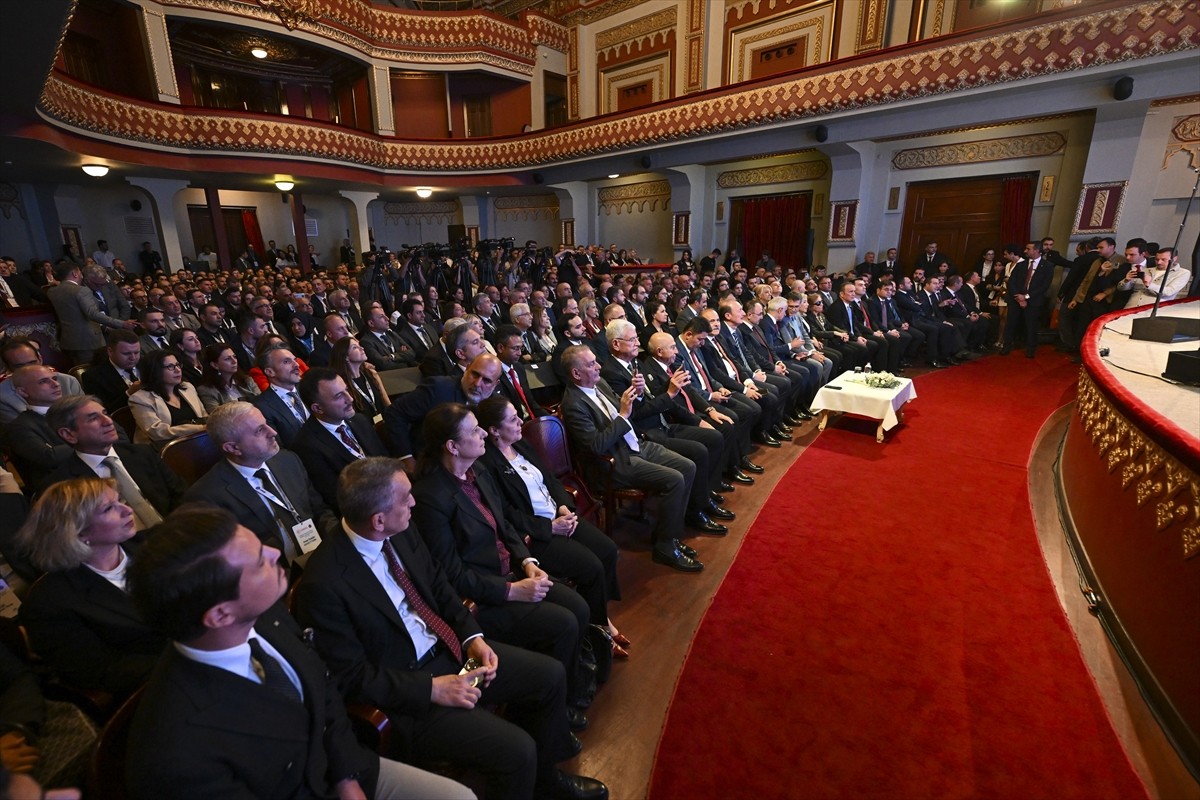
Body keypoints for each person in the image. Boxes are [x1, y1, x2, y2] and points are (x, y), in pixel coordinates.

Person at [294, 458, 607, 800]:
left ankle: (544, 783)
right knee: (517, 750)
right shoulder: (323, 584)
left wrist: (473, 638)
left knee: (549, 676)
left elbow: (440, 589)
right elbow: (349, 677)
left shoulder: (400, 530)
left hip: (454, 657)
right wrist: (432, 689)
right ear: (378, 519)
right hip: (413, 696)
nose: (414, 502)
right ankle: (525, 769)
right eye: (405, 498)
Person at [125, 505, 473, 800]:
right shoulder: (177, 753)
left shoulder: (265, 615)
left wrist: (346, 777)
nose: (276, 553)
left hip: (340, 765)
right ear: (220, 614)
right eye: (259, 561)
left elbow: (323, 687)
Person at [410, 403, 593, 714]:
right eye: (474, 430)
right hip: (483, 596)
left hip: (512, 573)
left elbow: (505, 527)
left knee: (578, 606)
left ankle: (568, 693)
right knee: (563, 623)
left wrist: (527, 564)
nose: (483, 432)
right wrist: (512, 590)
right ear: (452, 446)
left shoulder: (477, 470)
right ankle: (549, 706)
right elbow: (451, 575)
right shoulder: (431, 498)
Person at [476, 396, 628, 657]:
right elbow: (506, 514)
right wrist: (550, 527)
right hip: (537, 534)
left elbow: (550, 479)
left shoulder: (521, 444)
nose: (520, 421)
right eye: (513, 419)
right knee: (590, 568)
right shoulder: (487, 464)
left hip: (558, 517)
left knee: (608, 550)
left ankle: (598, 615)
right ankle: (601, 628)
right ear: (493, 430)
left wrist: (563, 507)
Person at [14, 478, 166, 698]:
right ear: (78, 532)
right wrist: (192, 657)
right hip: (159, 690)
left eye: (120, 500)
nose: (127, 510)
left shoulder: (157, 545)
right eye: (108, 509)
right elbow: (103, 671)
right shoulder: (48, 604)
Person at [559, 344, 703, 572]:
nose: (598, 366)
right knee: (674, 479)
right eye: (591, 364)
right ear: (576, 373)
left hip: (634, 445)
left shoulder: (600, 384)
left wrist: (635, 394)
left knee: (688, 466)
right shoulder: (573, 404)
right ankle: (666, 546)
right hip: (613, 462)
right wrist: (624, 414)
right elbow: (595, 446)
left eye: (596, 360)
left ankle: (666, 534)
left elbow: (629, 411)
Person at [184, 403, 338, 569]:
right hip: (278, 579)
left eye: (267, 424)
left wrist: (342, 543)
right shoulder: (206, 498)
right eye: (259, 430)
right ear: (233, 447)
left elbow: (320, 511)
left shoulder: (288, 460)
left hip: (326, 559)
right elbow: (232, 565)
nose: (273, 433)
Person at [42, 395, 185, 526]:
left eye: (105, 414)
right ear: (69, 434)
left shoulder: (142, 453)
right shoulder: (64, 485)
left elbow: (180, 495)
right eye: (93, 418)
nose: (108, 421)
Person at [291, 367, 389, 514]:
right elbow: (337, 496)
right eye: (338, 396)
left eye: (346, 390)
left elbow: (385, 459)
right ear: (317, 408)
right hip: (365, 511)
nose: (350, 399)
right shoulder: (306, 445)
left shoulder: (360, 420)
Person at [46, 262, 137, 364]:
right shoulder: (81, 290)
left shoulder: (52, 291)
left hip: (69, 341)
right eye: (80, 272)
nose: (81, 275)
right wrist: (122, 324)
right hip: (89, 341)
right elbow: (93, 314)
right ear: (75, 274)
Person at [128, 348, 207, 448]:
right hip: (163, 449)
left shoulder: (188, 388)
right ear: (155, 371)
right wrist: (200, 428)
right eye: (170, 366)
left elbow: (204, 416)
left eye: (178, 365)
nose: (178, 370)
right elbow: (157, 432)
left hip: (197, 442)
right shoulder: (139, 399)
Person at [330, 336, 390, 418]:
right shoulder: (342, 385)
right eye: (355, 347)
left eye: (359, 345)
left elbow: (387, 403)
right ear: (346, 357)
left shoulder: (372, 374)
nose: (362, 348)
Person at [196, 343, 261, 413]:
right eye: (227, 359)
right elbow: (217, 417)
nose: (234, 361)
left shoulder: (247, 380)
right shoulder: (207, 391)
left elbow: (262, 403)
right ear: (215, 365)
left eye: (234, 356)